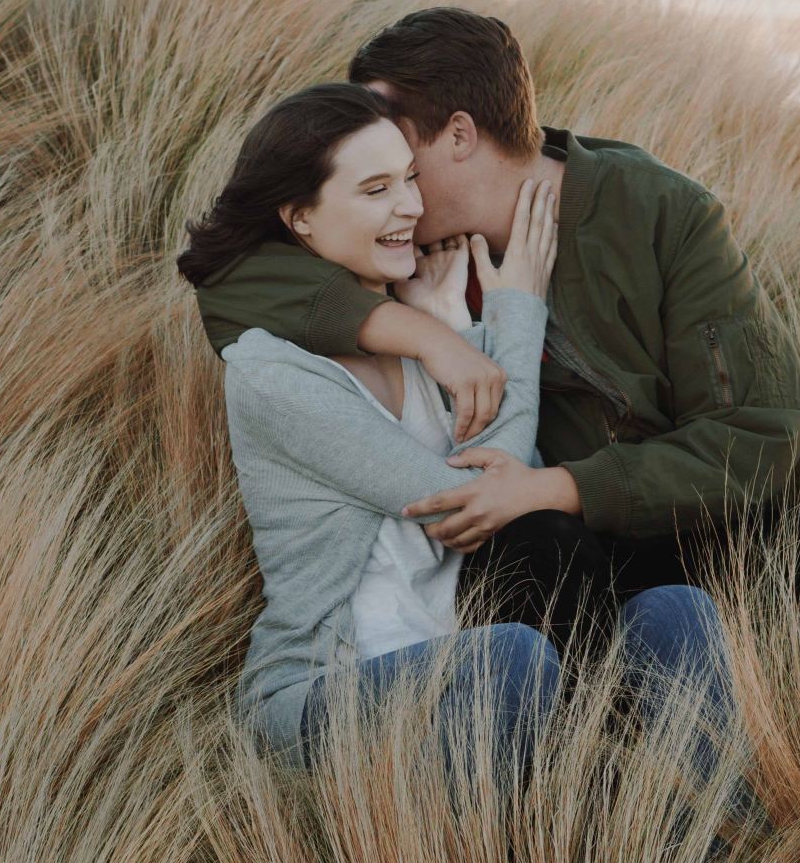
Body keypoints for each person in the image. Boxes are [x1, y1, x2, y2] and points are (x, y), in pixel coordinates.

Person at [186, 8, 800, 761]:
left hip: (666, 528)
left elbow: (760, 435)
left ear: (459, 135)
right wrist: (428, 331)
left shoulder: (657, 211)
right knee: (538, 545)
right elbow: (225, 284)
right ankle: (605, 790)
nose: (388, 175)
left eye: (399, 151)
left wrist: (565, 485)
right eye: (373, 174)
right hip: (516, 569)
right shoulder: (393, 253)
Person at [175, 82, 739, 802]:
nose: (410, 206)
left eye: (409, 179)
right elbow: (464, 505)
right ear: (302, 219)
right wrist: (516, 304)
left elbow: (511, 472)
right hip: (326, 692)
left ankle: (721, 835)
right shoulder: (270, 373)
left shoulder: (417, 344)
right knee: (514, 659)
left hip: (462, 653)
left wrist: (453, 330)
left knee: (677, 612)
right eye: (375, 189)